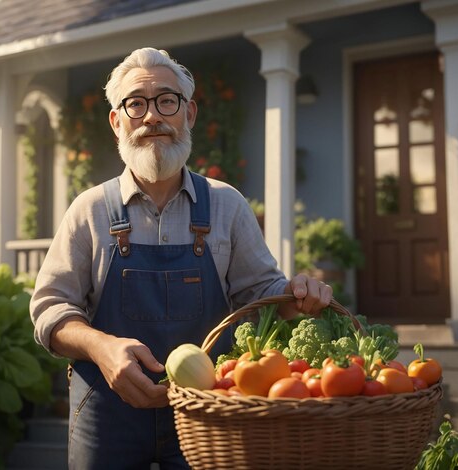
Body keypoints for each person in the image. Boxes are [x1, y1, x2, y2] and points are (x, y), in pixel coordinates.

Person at [30, 47, 333, 470]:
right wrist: (101, 347)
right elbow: (50, 309)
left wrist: (294, 293)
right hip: (106, 414)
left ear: (188, 114)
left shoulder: (227, 205)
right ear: (117, 122)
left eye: (166, 101)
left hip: (209, 412)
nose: (152, 116)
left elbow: (260, 293)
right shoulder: (90, 209)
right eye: (136, 103)